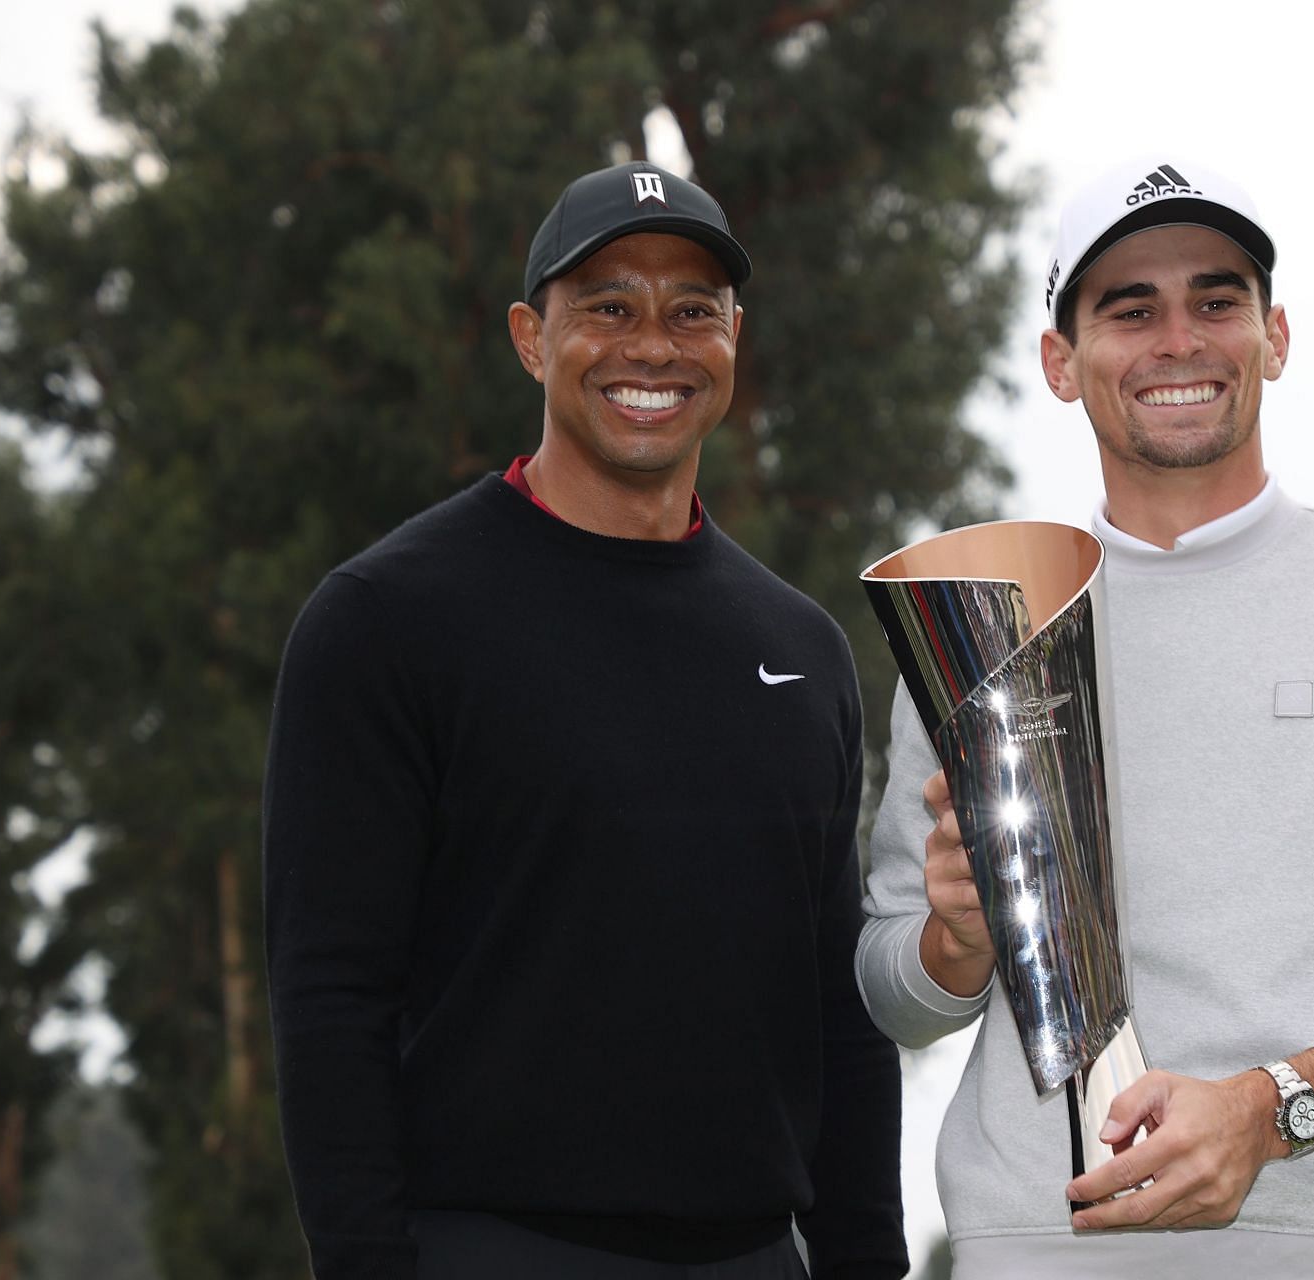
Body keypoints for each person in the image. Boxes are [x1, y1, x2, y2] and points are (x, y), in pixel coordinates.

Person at [855, 157, 1314, 1278]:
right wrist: (955, 943)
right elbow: (898, 994)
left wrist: (1273, 1106)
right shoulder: (980, 626)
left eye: (1217, 298)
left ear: (1275, 336)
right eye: (1129, 309)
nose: (1178, 339)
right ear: (1061, 360)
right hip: (1030, 1244)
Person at [264, 161, 907, 1280]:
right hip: (488, 1247)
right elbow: (330, 997)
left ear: (734, 340)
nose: (652, 345)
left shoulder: (803, 647)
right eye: (608, 305)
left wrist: (868, 1259)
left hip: (759, 1254)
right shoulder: (386, 619)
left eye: (691, 310)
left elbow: (836, 1010)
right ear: (530, 336)